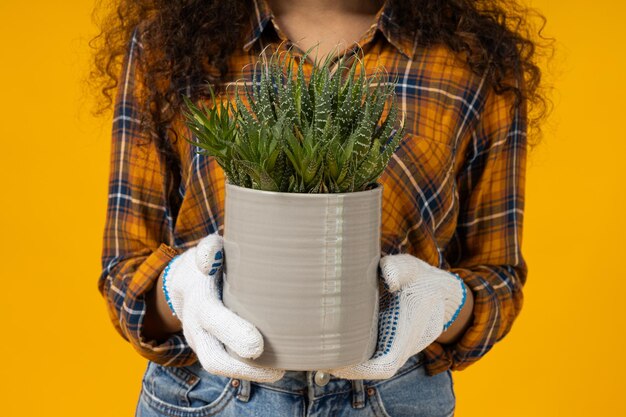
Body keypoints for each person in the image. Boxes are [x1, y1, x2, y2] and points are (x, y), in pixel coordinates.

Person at [91, 0, 550, 415]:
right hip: (210, 396)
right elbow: (124, 275)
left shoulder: (473, 59)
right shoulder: (165, 46)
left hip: (390, 397)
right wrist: (180, 291)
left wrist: (443, 306)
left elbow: (497, 277)